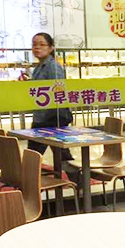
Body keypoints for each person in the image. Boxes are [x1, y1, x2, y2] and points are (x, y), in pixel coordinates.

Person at [28, 32, 73, 160]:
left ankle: (30, 171)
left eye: (42, 44)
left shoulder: (52, 67)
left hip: (52, 117)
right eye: (34, 45)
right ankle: (72, 172)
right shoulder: (39, 67)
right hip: (42, 116)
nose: (37, 47)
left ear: (51, 48)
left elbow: (59, 91)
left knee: (34, 154)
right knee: (60, 153)